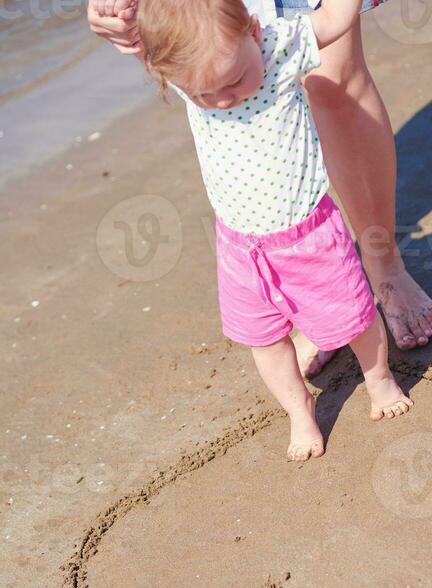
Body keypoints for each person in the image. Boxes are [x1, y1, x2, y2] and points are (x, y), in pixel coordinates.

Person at [94, 0, 414, 461]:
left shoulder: (282, 49)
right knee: (263, 340)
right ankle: (299, 410)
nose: (224, 99)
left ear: (255, 33)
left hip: (311, 234)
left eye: (236, 80)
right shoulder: (189, 70)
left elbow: (335, 19)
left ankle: (379, 379)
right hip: (240, 249)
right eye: (206, 94)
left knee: (356, 317)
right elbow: (147, 42)